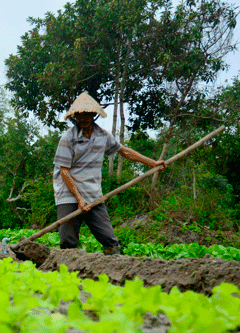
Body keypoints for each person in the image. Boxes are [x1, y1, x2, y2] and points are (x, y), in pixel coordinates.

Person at [53, 92, 166, 255]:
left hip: (93, 193)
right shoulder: (68, 138)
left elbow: (124, 152)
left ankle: (114, 268)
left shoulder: (103, 136)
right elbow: (64, 171)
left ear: (93, 115)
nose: (83, 118)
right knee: (67, 241)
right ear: (75, 117)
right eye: (79, 115)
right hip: (69, 193)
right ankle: (67, 271)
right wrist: (79, 199)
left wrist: (153, 163)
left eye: (87, 115)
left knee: (110, 240)